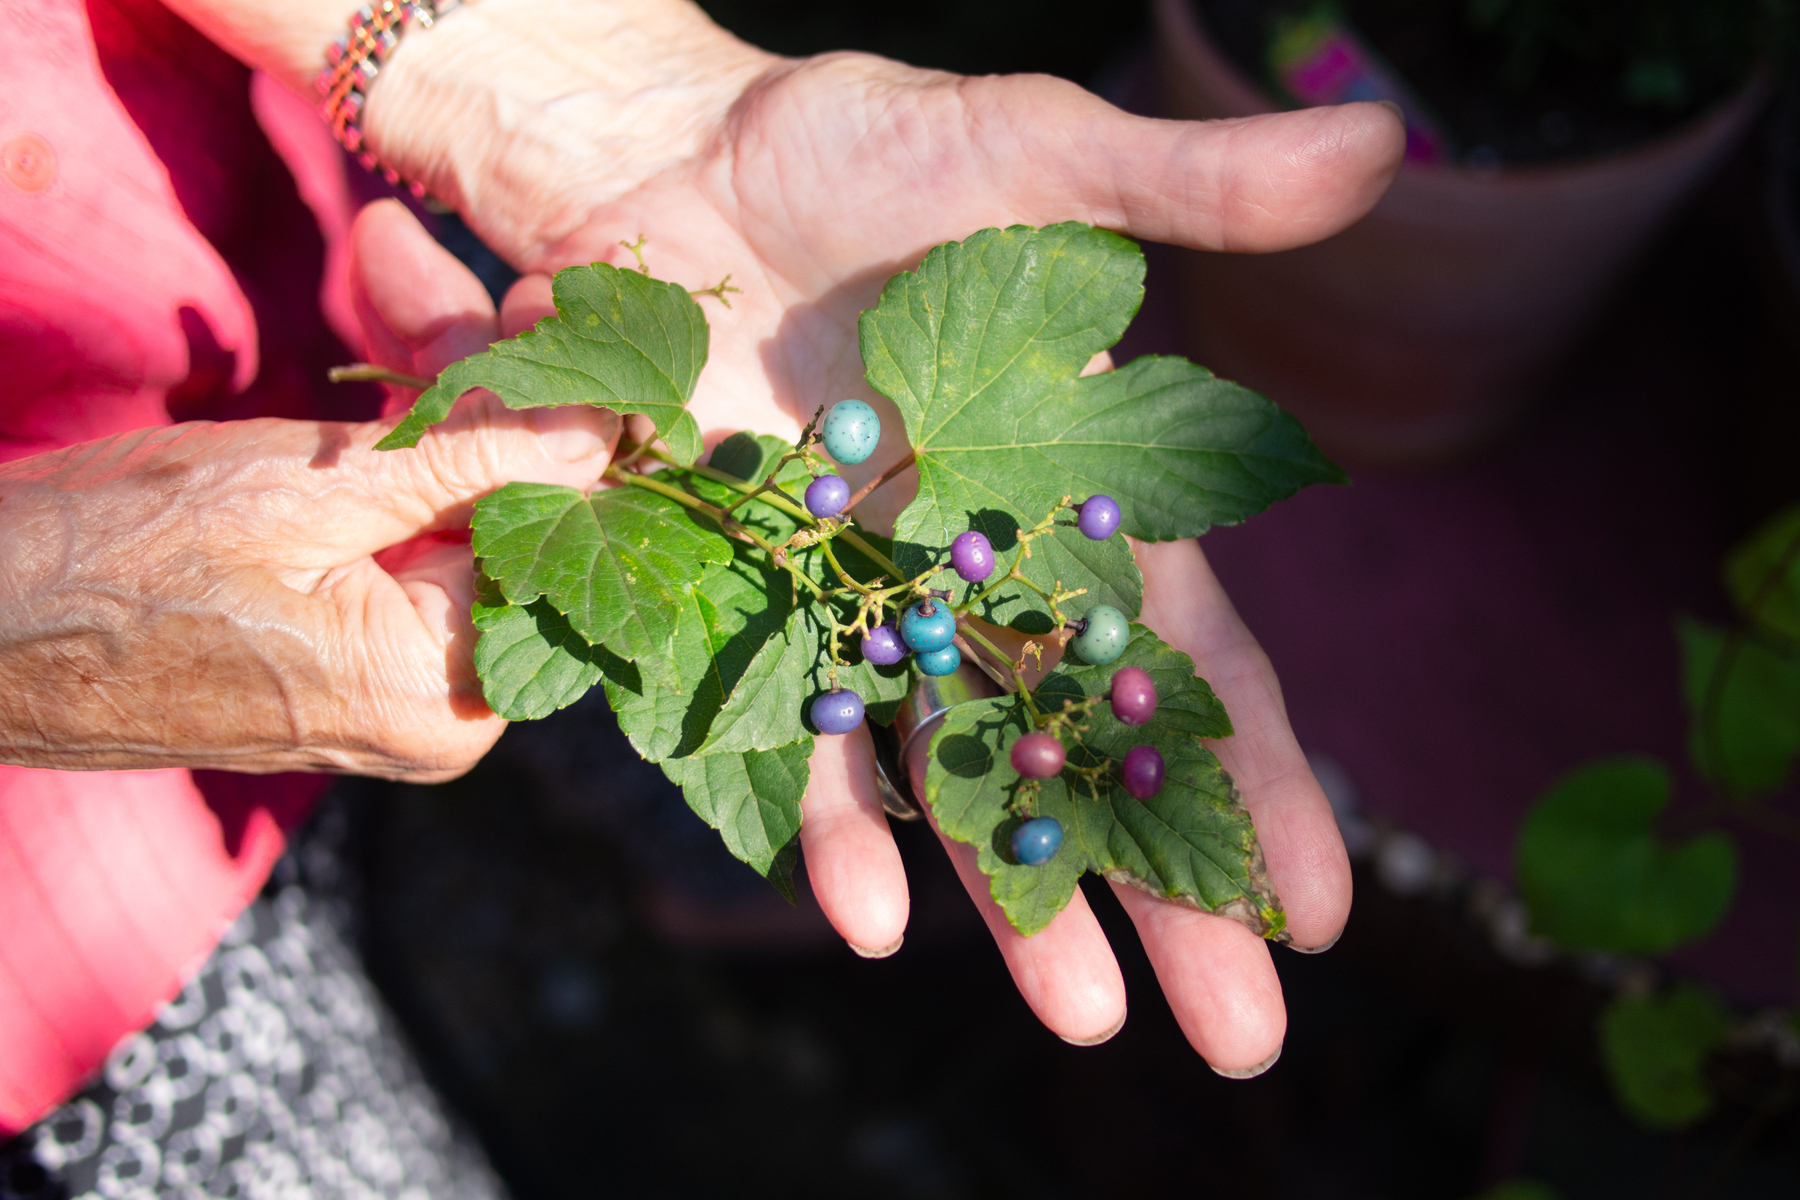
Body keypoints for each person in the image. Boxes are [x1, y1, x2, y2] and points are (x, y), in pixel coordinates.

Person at [0, 0, 1404, 1174]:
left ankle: (592, 868)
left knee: (601, 706)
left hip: (220, 224)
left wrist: (563, 85)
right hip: (52, 919)